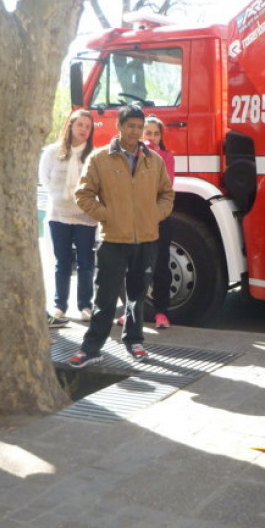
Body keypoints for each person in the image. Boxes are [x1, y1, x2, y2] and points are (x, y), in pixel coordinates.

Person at [69, 104, 175, 367]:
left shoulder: (155, 159)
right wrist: (107, 215)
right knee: (105, 298)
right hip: (113, 239)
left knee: (137, 296)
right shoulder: (100, 158)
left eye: (139, 127)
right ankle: (91, 348)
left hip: (146, 238)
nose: (135, 132)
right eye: (130, 126)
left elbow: (167, 194)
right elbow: (83, 194)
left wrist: (155, 214)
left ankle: (135, 341)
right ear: (119, 126)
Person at [38, 109, 97, 326]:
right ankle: (60, 305)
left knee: (85, 262)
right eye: (80, 124)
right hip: (58, 214)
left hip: (85, 216)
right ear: (70, 126)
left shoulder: (94, 154)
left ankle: (85, 305)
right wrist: (61, 198)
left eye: (88, 127)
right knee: (62, 262)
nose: (84, 129)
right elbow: (44, 179)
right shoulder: (52, 152)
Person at [142, 116, 176, 329]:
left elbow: (166, 186)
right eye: (148, 133)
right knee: (135, 266)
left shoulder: (167, 158)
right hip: (136, 218)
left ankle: (161, 312)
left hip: (159, 218)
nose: (152, 138)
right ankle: (131, 312)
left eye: (156, 133)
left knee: (161, 266)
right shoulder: (133, 155)